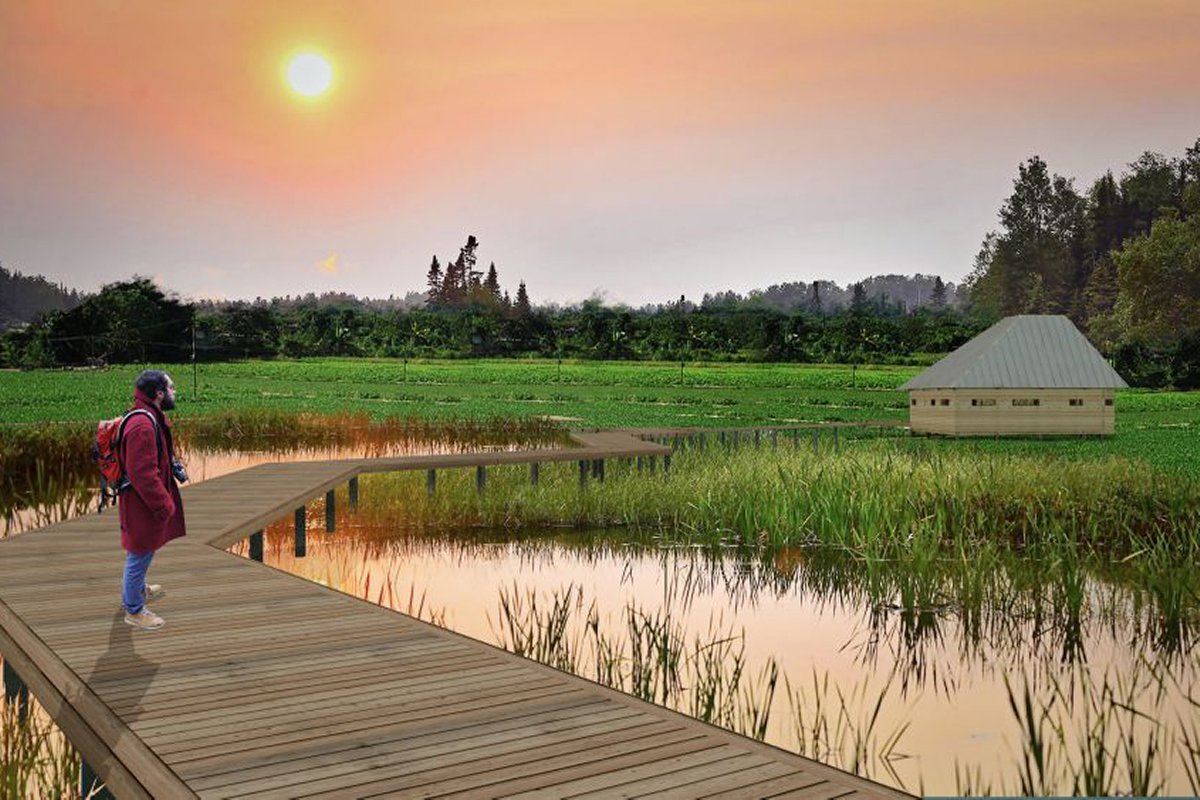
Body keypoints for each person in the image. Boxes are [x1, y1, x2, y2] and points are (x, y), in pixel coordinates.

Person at [119, 370, 187, 630]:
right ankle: (134, 610)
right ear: (159, 393)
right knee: (139, 552)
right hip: (142, 503)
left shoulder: (148, 417)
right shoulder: (142, 426)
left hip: (142, 502)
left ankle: (138, 588)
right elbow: (142, 474)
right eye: (172, 388)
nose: (174, 392)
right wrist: (163, 504)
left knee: (144, 548)